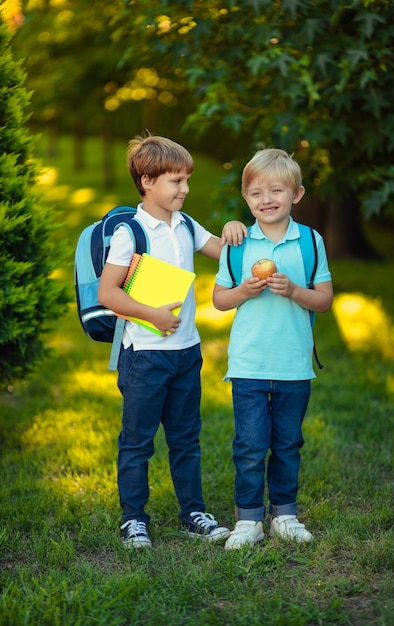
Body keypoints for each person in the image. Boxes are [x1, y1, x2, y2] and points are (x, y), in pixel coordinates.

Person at [98, 134, 247, 548]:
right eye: (175, 181)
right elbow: (108, 293)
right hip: (145, 357)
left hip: (186, 353)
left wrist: (237, 230)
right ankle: (133, 519)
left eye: (186, 181)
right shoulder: (132, 232)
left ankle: (192, 512)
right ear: (147, 181)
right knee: (137, 441)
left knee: (186, 439)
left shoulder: (185, 224)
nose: (185, 189)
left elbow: (224, 251)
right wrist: (151, 315)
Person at [213, 148, 333, 549]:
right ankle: (248, 519)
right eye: (256, 193)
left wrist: (296, 291)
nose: (266, 199)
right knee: (249, 445)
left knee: (287, 443)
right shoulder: (238, 240)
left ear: (296, 194)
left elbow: (325, 300)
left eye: (276, 190)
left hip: (294, 364)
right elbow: (219, 299)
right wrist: (244, 290)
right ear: (246, 198)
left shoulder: (310, 241)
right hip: (248, 363)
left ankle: (285, 514)